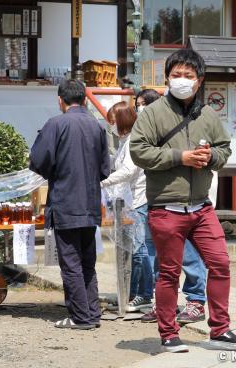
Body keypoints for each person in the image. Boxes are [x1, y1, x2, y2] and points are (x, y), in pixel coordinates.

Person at [130, 49, 232, 353]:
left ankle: (220, 330)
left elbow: (224, 149)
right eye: (177, 74)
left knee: (221, 264)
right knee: (170, 273)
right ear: (167, 77)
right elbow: (138, 151)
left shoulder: (208, 115)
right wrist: (180, 157)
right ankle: (169, 333)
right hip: (166, 207)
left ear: (199, 81)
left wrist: (211, 156)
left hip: (201, 207)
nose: (182, 80)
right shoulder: (152, 113)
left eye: (189, 75)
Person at [29, 79, 110, 330]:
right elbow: (105, 169)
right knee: (87, 262)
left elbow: (38, 160)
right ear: (85, 100)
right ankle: (92, 313)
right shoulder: (97, 127)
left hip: (66, 201)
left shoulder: (56, 124)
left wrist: (58, 171)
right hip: (89, 202)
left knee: (71, 263)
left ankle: (80, 317)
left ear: (60, 100)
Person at [136, 89, 208, 325]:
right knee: (162, 258)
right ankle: (164, 304)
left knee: (188, 255)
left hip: (186, 204)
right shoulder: (147, 131)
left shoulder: (190, 124)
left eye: (142, 105)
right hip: (157, 202)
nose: (140, 110)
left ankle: (196, 300)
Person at [101, 101, 153, 312]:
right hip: (127, 203)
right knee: (130, 250)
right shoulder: (124, 140)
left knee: (140, 250)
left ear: (122, 120)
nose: (111, 126)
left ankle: (145, 294)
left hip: (138, 201)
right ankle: (130, 292)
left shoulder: (133, 141)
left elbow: (129, 171)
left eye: (113, 121)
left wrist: (104, 181)